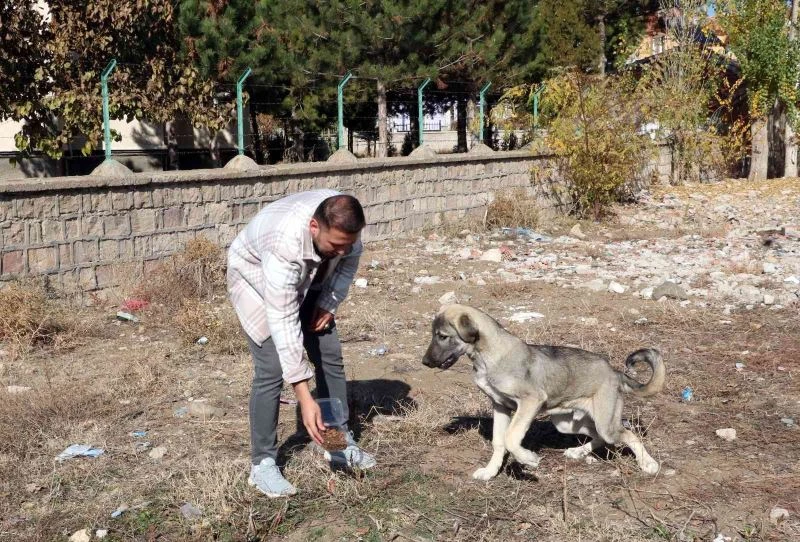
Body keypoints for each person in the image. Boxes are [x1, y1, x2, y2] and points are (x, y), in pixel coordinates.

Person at [227, 190, 376, 498]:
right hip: (256, 279)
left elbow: (349, 262)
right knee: (271, 368)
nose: (342, 250)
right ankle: (263, 465)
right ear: (314, 227)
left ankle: (337, 444)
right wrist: (303, 395)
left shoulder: (344, 228)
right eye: (336, 245)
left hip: (311, 279)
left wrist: (329, 302)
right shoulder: (284, 244)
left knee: (329, 352)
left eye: (348, 244)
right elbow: (283, 320)